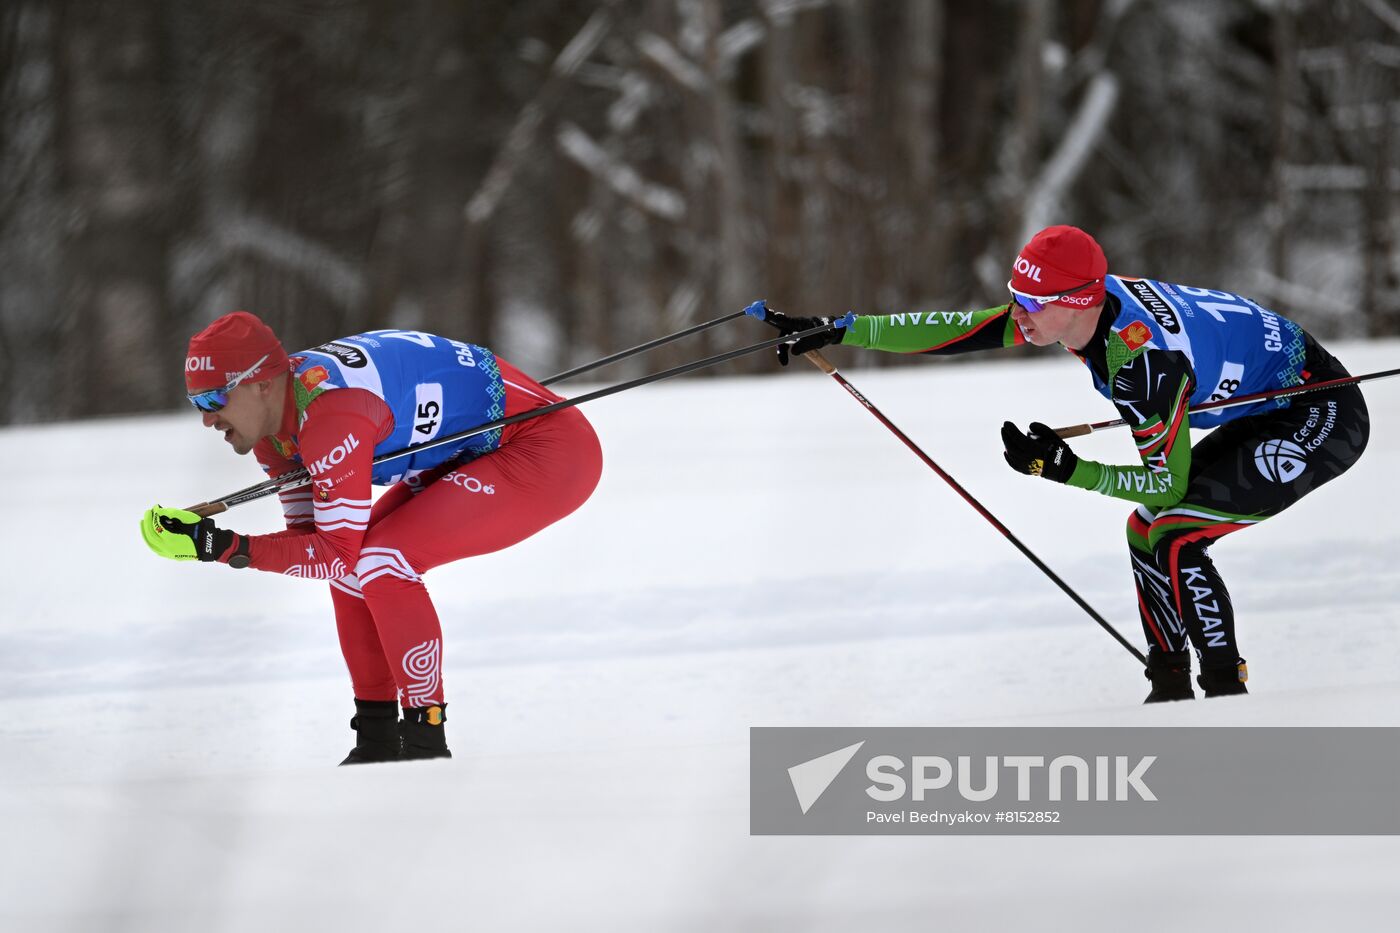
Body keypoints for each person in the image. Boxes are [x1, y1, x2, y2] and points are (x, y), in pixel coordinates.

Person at [755, 225, 1369, 702]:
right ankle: (1170, 686)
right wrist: (839, 329)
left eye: (1031, 304)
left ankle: (1226, 698)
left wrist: (1066, 469)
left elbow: (1167, 479)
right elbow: (960, 330)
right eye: (1015, 297)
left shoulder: (1144, 367)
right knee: (1144, 530)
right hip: (1255, 399)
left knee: (1177, 531)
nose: (1017, 314)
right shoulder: (1082, 309)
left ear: (1078, 302)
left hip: (1318, 414)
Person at [140, 312, 603, 760]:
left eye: (213, 400)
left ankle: (425, 740)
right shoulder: (274, 425)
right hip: (473, 447)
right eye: (196, 403)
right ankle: (378, 738)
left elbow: (332, 553)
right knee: (355, 567)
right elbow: (314, 543)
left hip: (548, 450)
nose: (206, 419)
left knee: (382, 559)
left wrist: (219, 547)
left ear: (261, 383)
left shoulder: (330, 416)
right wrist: (220, 545)